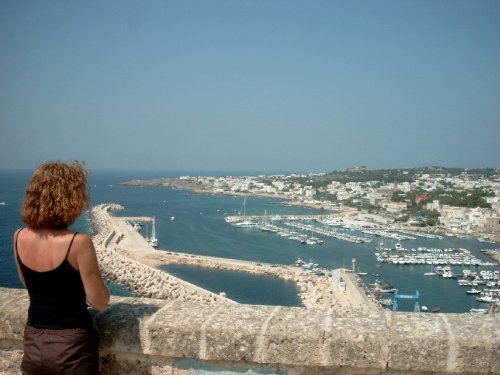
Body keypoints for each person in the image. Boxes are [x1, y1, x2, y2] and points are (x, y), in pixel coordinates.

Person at [13, 161, 110, 375]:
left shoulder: (18, 236)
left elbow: (28, 284)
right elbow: (99, 302)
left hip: (34, 342)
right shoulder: (78, 242)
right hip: (71, 348)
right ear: (71, 199)